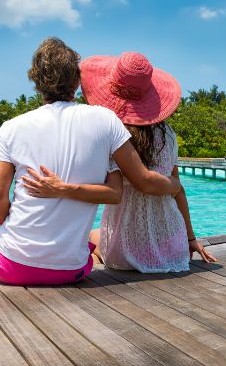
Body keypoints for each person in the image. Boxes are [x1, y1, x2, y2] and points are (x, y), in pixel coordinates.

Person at [0, 38, 181, 286]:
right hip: (72, 269)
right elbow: (130, 184)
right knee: (88, 242)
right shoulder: (106, 120)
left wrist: (24, 234)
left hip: (12, 267)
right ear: (77, 80)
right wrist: (175, 185)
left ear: (35, 81)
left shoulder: (11, 128)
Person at [27, 51, 215, 272]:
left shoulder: (111, 136)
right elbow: (178, 191)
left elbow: (127, 187)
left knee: (90, 235)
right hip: (173, 247)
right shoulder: (169, 136)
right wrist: (191, 239)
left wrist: (63, 189)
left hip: (127, 250)